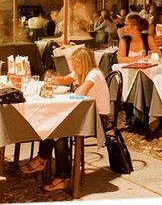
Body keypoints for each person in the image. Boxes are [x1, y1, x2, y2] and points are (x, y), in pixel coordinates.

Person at [19, 45, 110, 192]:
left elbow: (82, 91)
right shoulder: (81, 71)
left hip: (99, 117)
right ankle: (43, 159)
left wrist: (75, 87)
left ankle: (60, 175)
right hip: (85, 113)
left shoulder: (93, 74)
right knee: (53, 122)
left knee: (60, 132)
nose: (74, 68)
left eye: (77, 65)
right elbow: (65, 80)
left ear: (85, 64)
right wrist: (52, 78)